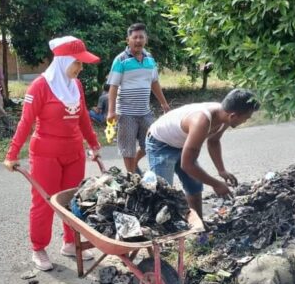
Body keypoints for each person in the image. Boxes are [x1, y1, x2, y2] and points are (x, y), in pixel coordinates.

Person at [3, 36, 101, 271]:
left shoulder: (76, 85)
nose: (80, 68)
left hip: (74, 152)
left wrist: (94, 145)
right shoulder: (40, 86)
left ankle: (70, 242)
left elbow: (84, 118)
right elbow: (26, 122)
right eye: (77, 62)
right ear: (63, 60)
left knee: (73, 200)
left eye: (81, 63)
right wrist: (12, 153)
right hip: (46, 154)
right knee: (44, 202)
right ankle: (39, 248)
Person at [145, 88, 260, 219]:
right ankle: (162, 233)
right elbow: (187, 165)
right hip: (161, 144)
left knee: (194, 184)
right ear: (233, 116)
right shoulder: (201, 121)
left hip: (183, 143)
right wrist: (216, 184)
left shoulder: (224, 116)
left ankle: (198, 224)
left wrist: (221, 170)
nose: (245, 121)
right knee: (163, 191)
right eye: (246, 118)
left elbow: (214, 141)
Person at [106, 22, 170, 174]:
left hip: (145, 112)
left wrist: (164, 104)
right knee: (128, 149)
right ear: (128, 40)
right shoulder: (120, 60)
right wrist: (111, 111)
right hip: (126, 113)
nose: (138, 40)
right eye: (135, 37)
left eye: (141, 37)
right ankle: (131, 176)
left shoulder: (150, 59)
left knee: (152, 142)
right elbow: (113, 87)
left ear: (145, 40)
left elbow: (154, 82)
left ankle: (134, 165)